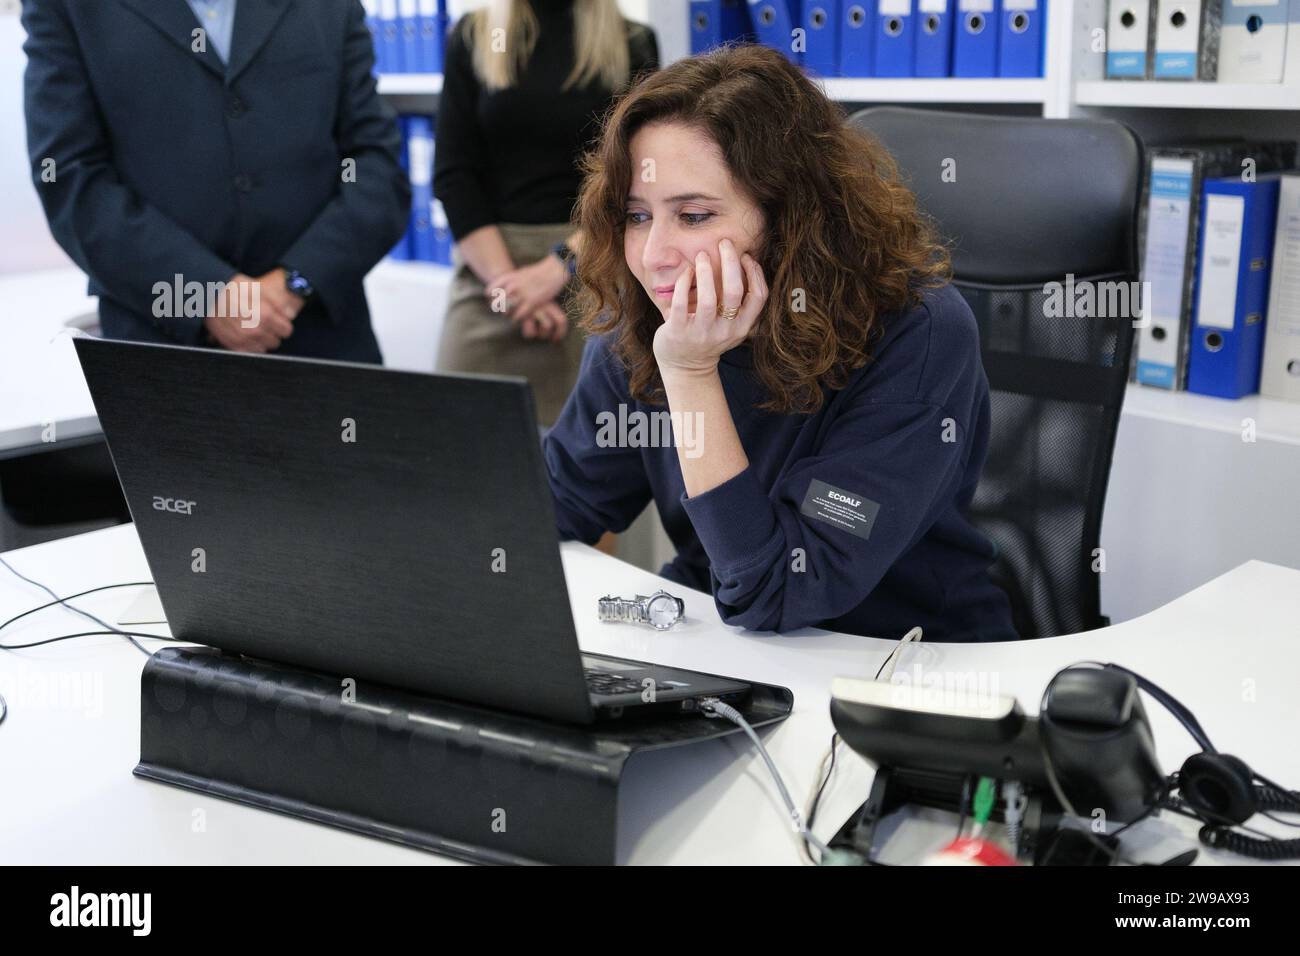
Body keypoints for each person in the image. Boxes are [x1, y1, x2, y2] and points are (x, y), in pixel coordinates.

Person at [544, 44, 1018, 641]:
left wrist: (691, 374)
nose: (654, 255)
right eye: (637, 216)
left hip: (897, 666)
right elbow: (559, 505)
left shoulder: (916, 330)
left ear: (790, 215)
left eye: (693, 216)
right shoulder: (649, 311)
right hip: (716, 644)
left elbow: (781, 589)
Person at [22, 0, 410, 362]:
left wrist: (297, 282)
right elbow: (70, 177)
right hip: (160, 355)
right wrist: (205, 295)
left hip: (325, 347)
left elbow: (378, 165)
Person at [433, 0, 658, 426]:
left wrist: (560, 267)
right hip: (492, 276)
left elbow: (637, 180)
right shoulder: (472, 36)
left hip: (598, 270)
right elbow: (453, 175)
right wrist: (513, 288)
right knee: (456, 445)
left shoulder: (632, 42)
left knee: (598, 456)